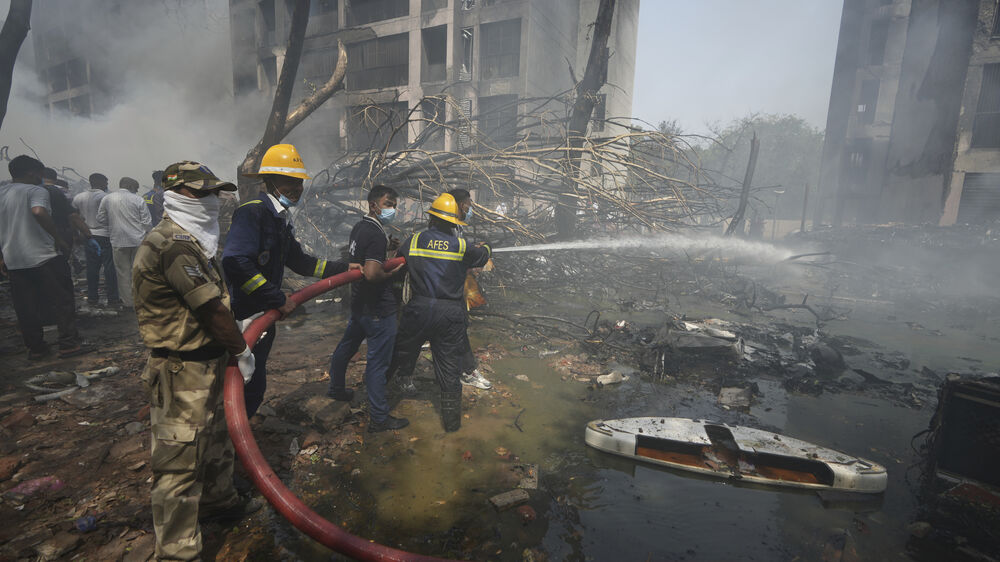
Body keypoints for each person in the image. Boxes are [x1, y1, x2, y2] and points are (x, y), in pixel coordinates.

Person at [132, 161, 260, 560]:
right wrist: (241, 349)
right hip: (180, 367)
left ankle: (218, 502)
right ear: (174, 193)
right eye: (199, 192)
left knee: (216, 440)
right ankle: (177, 551)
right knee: (179, 461)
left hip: (206, 362)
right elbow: (212, 311)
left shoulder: (194, 240)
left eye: (212, 193)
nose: (210, 201)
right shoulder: (172, 244)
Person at [222, 144, 354, 418]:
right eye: (289, 182)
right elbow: (235, 262)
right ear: (270, 181)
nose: (297, 188)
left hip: (264, 315)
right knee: (244, 384)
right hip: (245, 317)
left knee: (254, 384)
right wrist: (277, 297)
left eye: (299, 182)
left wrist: (345, 268)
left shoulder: (279, 218)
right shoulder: (253, 212)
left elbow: (303, 263)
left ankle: (234, 441)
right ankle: (228, 443)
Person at [388, 193, 491, 432]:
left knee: (398, 355)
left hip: (418, 310)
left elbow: (398, 264)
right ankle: (452, 427)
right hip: (449, 314)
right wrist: (487, 246)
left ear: (431, 219)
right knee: (448, 370)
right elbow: (483, 256)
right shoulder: (462, 246)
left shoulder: (413, 241)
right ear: (455, 222)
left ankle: (375, 406)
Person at [327, 184, 407, 433]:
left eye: (394, 205)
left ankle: (336, 389)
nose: (392, 209)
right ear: (373, 205)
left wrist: (388, 250)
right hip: (378, 309)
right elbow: (372, 274)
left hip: (360, 304)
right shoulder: (373, 233)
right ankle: (380, 419)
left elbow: (360, 263)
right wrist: (390, 271)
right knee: (377, 364)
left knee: (347, 346)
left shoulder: (361, 228)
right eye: (388, 204)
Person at [0, 156, 88, 359]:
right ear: (31, 173)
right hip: (44, 256)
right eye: (39, 174)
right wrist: (57, 237)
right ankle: (68, 344)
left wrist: (2, 255)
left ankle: (37, 348)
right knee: (63, 300)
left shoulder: (2, 193)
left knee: (26, 306)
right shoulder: (36, 191)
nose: (41, 179)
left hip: (14, 259)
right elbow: (38, 211)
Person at [447, 188, 492, 390]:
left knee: (455, 330)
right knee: (457, 330)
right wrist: (484, 251)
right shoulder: (448, 229)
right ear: (457, 205)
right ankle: (466, 371)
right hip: (448, 294)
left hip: (452, 291)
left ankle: (401, 375)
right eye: (468, 204)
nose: (470, 208)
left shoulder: (455, 227)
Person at [97, 177, 151, 308]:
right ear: (131, 187)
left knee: (123, 273)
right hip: (138, 240)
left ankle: (129, 303)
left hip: (118, 241)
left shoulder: (108, 198)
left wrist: (114, 222)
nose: (137, 191)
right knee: (138, 272)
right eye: (136, 189)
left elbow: (100, 219)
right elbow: (147, 223)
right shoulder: (138, 199)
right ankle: (141, 300)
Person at [73, 172, 119, 307]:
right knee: (109, 267)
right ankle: (113, 297)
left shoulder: (78, 197)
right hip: (104, 235)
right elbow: (112, 217)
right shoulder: (106, 197)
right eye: (106, 182)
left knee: (92, 267)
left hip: (88, 235)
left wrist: (77, 234)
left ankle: (92, 297)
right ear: (100, 182)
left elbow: (75, 216)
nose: (107, 185)